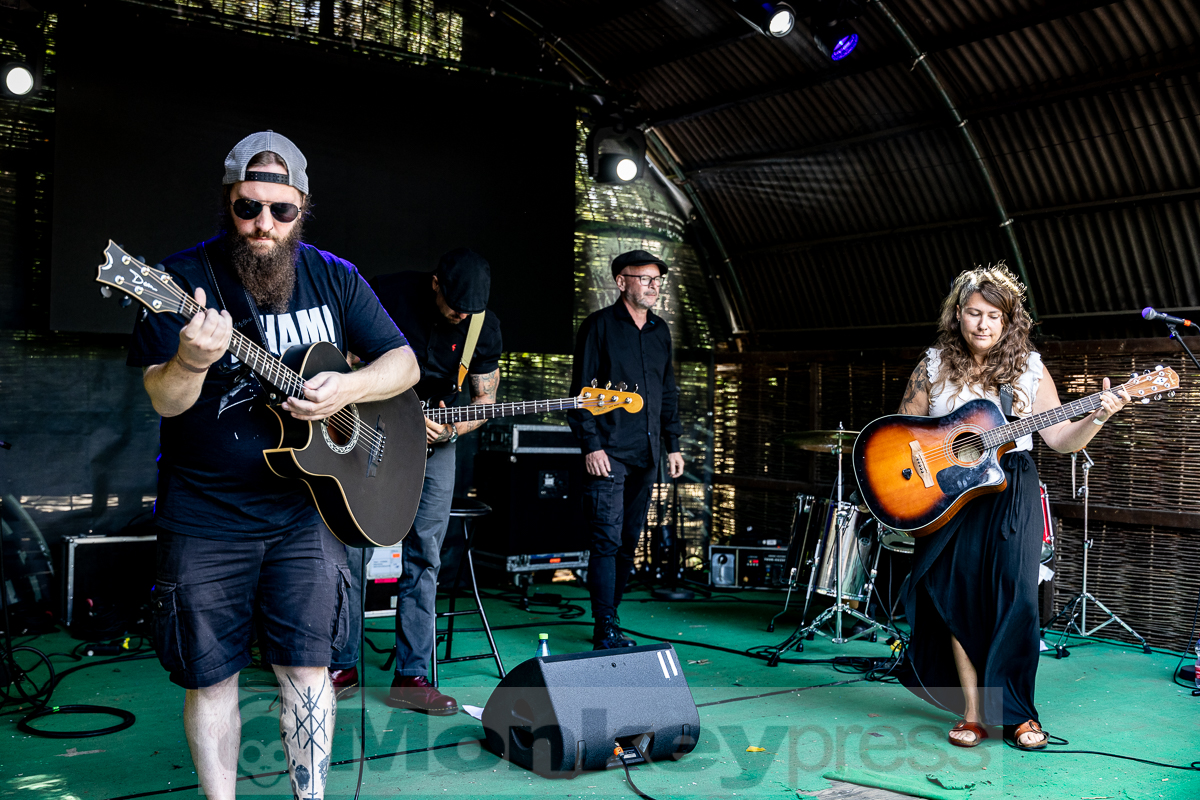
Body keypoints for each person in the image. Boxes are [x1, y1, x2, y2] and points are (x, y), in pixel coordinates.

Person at [127, 131, 419, 800]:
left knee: (307, 670)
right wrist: (193, 360)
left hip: (306, 512)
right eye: (248, 208)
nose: (263, 225)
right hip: (205, 513)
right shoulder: (179, 281)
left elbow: (402, 365)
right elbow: (163, 400)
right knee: (211, 678)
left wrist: (346, 388)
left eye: (280, 210)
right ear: (229, 202)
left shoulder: (335, 276)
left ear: (303, 206)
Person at [896, 264, 1128, 750]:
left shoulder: (1028, 367)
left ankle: (1019, 714)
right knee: (954, 597)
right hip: (945, 493)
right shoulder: (933, 364)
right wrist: (926, 460)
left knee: (1017, 596)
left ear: (1008, 321)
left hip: (1010, 486)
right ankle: (974, 714)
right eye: (974, 313)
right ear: (958, 314)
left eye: (993, 316)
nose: (982, 324)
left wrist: (1098, 416)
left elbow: (1062, 439)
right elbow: (903, 428)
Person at [329, 249, 501, 715]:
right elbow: (342, 359)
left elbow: (484, 400)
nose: (460, 315)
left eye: (470, 310)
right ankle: (339, 665)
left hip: (435, 442)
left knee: (425, 552)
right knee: (352, 545)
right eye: (453, 306)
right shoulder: (385, 294)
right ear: (434, 284)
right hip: (372, 428)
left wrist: (453, 429)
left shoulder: (481, 325)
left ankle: (412, 675)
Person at [568, 249, 684, 650]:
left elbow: (667, 391)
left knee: (629, 538)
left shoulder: (660, 331)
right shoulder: (598, 327)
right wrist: (591, 446)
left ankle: (612, 616)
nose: (653, 286)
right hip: (608, 453)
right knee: (606, 539)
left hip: (647, 454)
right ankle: (604, 626)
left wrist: (673, 445)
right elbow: (579, 394)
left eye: (657, 280)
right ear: (621, 282)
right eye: (645, 278)